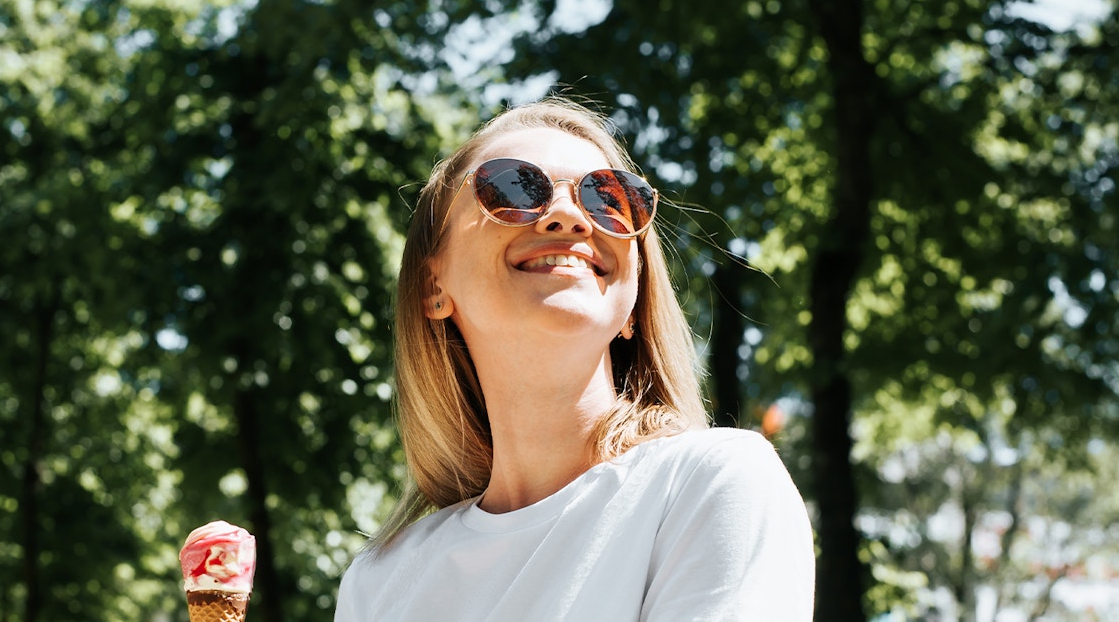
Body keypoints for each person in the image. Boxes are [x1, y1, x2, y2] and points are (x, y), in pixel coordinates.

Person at [335, 97, 814, 621]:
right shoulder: (379, 582)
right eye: (513, 187)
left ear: (633, 299)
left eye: (608, 199)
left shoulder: (712, 485)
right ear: (433, 284)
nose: (568, 216)